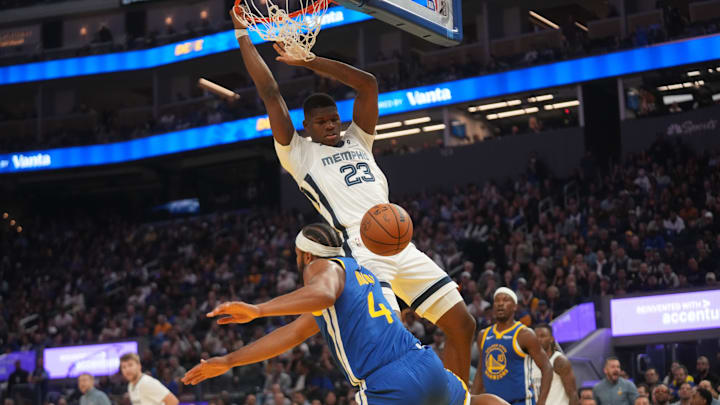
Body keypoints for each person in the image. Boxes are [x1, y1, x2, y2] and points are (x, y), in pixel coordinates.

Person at [226, 8, 475, 384]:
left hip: (401, 244)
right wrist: (243, 34)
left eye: (334, 118)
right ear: (306, 127)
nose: (332, 125)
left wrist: (310, 60)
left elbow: (369, 84)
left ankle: (458, 398)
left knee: (463, 324)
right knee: (388, 347)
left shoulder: (359, 139)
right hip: (361, 249)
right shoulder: (298, 153)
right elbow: (270, 90)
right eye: (322, 122)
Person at [181, 223, 507, 405]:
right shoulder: (358, 273)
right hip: (425, 363)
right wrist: (227, 361)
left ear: (305, 255)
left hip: (387, 382)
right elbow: (292, 333)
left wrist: (257, 309)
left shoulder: (324, 268)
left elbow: (321, 291)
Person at [471, 287, 553, 405]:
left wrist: (541, 402)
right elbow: (481, 372)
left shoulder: (524, 334)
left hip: (520, 402)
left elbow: (547, 368)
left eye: (505, 300)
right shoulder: (483, 335)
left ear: (514, 306)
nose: (500, 304)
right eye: (497, 300)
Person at [532, 324, 579, 405]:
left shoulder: (559, 361)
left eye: (542, 336)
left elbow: (573, 394)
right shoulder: (529, 361)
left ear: (551, 339)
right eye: (535, 337)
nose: (538, 339)